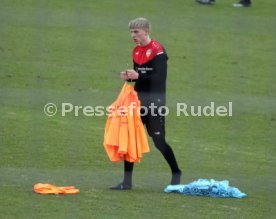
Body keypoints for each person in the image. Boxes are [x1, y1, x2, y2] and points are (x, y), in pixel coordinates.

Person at [110, 18, 182, 190]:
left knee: (158, 140)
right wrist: (130, 77)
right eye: (131, 32)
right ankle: (126, 183)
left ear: (146, 31)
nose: (133, 35)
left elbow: (159, 79)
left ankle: (176, 172)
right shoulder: (136, 52)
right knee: (129, 137)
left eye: (136, 32)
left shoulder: (158, 52)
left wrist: (138, 76)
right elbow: (139, 78)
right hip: (138, 102)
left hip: (155, 103)